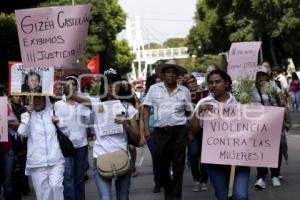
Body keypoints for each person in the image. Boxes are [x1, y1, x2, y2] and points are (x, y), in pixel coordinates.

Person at [190, 69, 250, 200]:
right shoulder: (204, 103)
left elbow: (254, 128)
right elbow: (193, 131)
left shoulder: (240, 102)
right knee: (222, 196)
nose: (214, 85)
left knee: (241, 196)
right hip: (214, 160)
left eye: (218, 82)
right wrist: (197, 113)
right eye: (211, 82)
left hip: (239, 158)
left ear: (227, 83)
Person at [142, 60, 192, 199]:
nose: (170, 75)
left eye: (173, 72)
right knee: (160, 166)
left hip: (179, 131)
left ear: (177, 75)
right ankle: (169, 190)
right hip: (160, 132)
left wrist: (191, 132)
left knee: (178, 166)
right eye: (168, 72)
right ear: (163, 74)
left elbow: (190, 112)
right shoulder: (154, 88)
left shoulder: (185, 91)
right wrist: (146, 129)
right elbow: (146, 109)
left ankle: (174, 197)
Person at [17, 96, 70, 200]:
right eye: (34, 99)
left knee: (56, 186)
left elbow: (67, 133)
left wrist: (59, 122)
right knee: (43, 195)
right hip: (37, 163)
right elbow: (22, 132)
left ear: (45, 100)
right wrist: (28, 114)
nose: (37, 101)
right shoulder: (27, 115)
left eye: (40, 99)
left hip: (56, 160)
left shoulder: (53, 113)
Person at [54, 75, 91, 200]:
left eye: (73, 84)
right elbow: (58, 124)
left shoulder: (83, 102)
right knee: (68, 177)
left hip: (81, 145)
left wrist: (85, 105)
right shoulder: (58, 104)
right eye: (68, 84)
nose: (71, 86)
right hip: (66, 145)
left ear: (76, 86)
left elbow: (90, 121)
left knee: (79, 177)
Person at [253, 66, 288, 189]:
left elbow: (281, 101)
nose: (260, 77)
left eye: (263, 74)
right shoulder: (250, 89)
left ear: (267, 76)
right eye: (258, 75)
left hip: (273, 122)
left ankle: (275, 175)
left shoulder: (272, 87)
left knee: (275, 150)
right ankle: (261, 177)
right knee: (260, 149)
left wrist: (281, 101)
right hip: (257, 124)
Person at [182, 73, 209, 192]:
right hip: (191, 128)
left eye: (194, 81)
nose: (193, 84)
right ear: (186, 85)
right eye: (190, 82)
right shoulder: (183, 96)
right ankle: (196, 179)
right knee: (193, 154)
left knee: (204, 155)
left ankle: (204, 180)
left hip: (205, 127)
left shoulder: (205, 93)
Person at [139, 74, 164, 193]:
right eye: (155, 83)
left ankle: (166, 180)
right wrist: (144, 133)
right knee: (156, 157)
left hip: (164, 130)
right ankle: (158, 183)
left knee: (165, 157)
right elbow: (142, 117)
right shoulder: (145, 98)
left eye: (160, 83)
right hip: (151, 132)